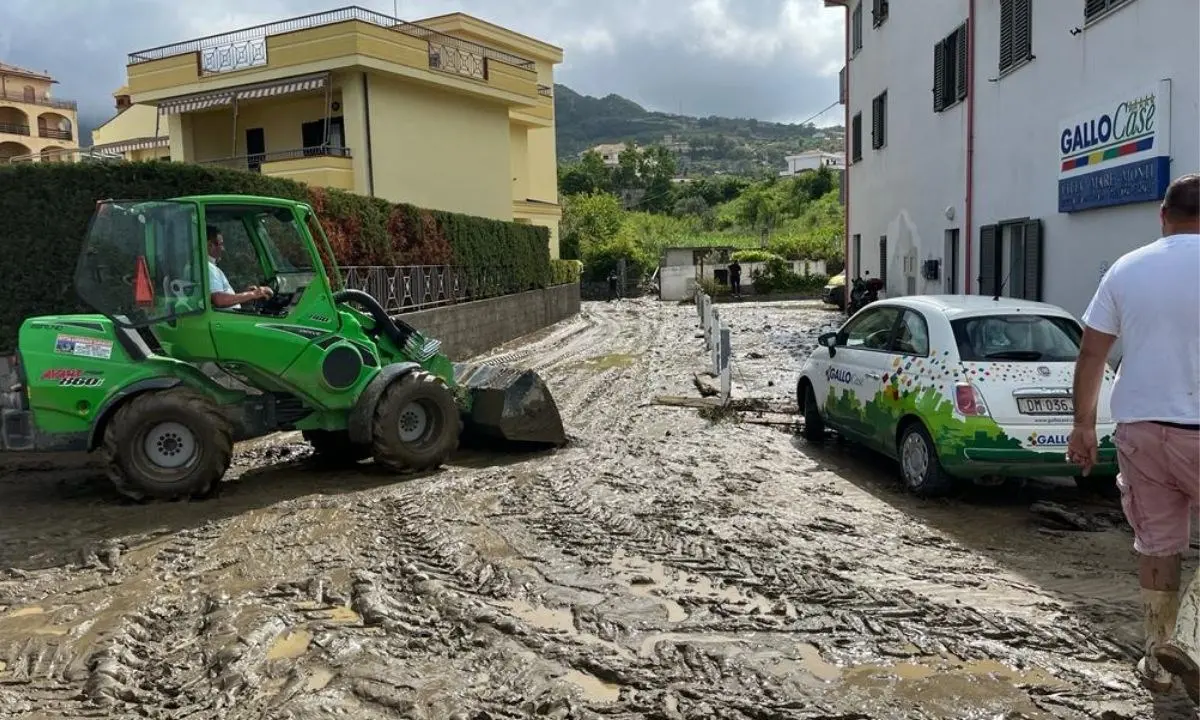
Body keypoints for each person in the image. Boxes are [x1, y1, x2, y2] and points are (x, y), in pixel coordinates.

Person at [1068, 172, 1200, 703]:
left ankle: (1158, 657)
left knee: (1158, 543)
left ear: (1163, 216)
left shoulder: (1128, 267)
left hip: (1143, 430)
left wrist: (1083, 424)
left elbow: (1091, 353)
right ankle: (1191, 639)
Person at [206, 225, 273, 310]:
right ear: (209, 245)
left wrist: (245, 295)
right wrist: (254, 294)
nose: (223, 249)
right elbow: (219, 300)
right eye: (221, 244)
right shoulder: (208, 268)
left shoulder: (205, 267)